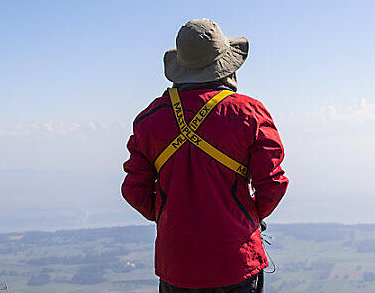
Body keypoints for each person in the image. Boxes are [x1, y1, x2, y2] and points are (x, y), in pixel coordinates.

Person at [122, 19, 289, 293]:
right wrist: (246, 218)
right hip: (236, 261)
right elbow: (273, 184)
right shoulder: (249, 113)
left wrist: (170, 214)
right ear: (225, 65)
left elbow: (133, 189)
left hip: (176, 264)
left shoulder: (149, 119)